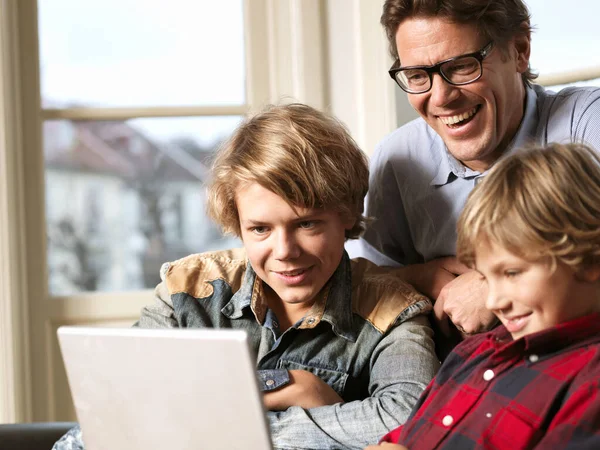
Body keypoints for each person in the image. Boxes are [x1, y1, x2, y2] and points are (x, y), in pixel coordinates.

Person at [53, 103, 440, 450]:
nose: (284, 250)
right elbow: (122, 403)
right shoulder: (188, 290)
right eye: (260, 229)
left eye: (306, 224)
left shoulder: (394, 311)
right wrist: (295, 388)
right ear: (237, 224)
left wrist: (239, 430)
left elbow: (411, 420)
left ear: (347, 214)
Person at [348, 0, 600, 342]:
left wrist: (490, 283)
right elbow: (364, 286)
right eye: (419, 76)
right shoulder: (398, 158)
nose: (441, 98)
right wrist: (421, 276)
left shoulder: (587, 123)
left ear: (520, 49)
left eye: (463, 66)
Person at [365, 142, 600, 449]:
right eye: (486, 278)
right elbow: (411, 431)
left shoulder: (589, 383)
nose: (494, 302)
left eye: (512, 273)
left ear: (590, 259)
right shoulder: (473, 352)